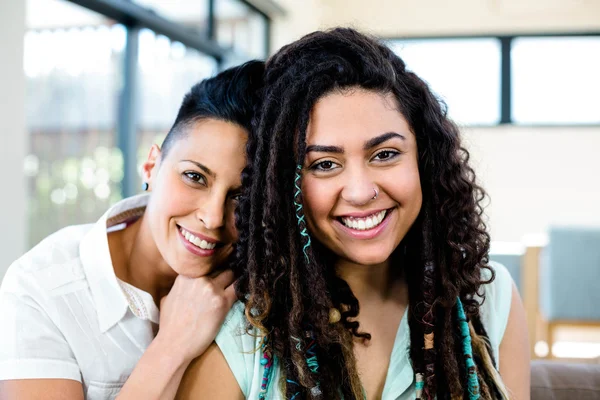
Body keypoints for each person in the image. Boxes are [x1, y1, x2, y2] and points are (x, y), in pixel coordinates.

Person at [177, 29, 530, 399]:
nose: (361, 192)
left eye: (385, 154)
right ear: (284, 184)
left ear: (424, 161)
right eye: (325, 164)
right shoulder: (239, 330)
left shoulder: (491, 299)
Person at [0, 60, 264, 400]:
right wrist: (173, 345)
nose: (213, 217)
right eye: (194, 177)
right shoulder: (40, 290)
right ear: (152, 166)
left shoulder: (260, 291)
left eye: (240, 197)